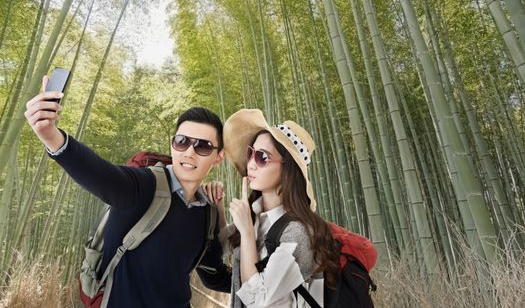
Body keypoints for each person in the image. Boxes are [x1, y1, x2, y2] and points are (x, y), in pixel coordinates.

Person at [24, 76, 231, 308]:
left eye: (202, 146)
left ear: (219, 157)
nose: (189, 153)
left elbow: (215, 276)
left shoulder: (208, 212)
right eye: (182, 142)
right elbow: (101, 174)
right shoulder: (144, 185)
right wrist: (51, 136)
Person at [205, 109, 339, 307]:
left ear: (288, 170)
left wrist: (248, 234)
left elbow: (257, 301)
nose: (250, 164)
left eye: (262, 157)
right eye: (250, 154)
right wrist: (218, 206)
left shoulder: (300, 233)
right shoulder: (258, 215)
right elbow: (222, 246)